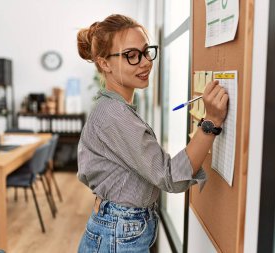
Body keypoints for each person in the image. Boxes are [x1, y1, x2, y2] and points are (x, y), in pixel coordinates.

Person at [76, 14, 229, 253]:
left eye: (146, 52)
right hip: (119, 233)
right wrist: (211, 122)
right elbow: (169, 177)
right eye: (131, 56)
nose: (145, 62)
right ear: (104, 63)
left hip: (121, 228)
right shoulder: (114, 115)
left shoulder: (116, 109)